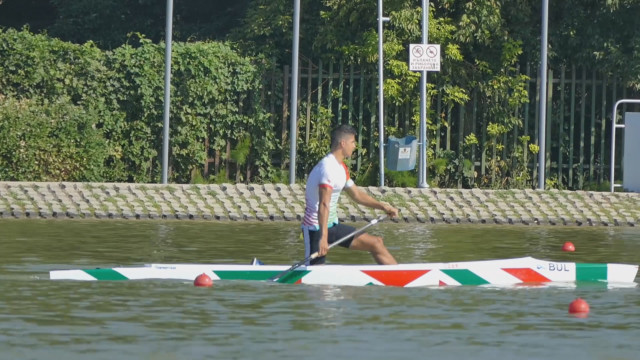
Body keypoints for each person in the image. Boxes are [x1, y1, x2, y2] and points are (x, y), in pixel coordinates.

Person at [301, 124, 399, 265]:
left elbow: (357, 195)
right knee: (315, 273)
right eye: (353, 142)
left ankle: (398, 277)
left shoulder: (341, 168)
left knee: (376, 243)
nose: (355, 146)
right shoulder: (327, 168)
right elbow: (324, 204)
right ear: (343, 143)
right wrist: (323, 237)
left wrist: (383, 206)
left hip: (332, 226)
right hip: (316, 229)